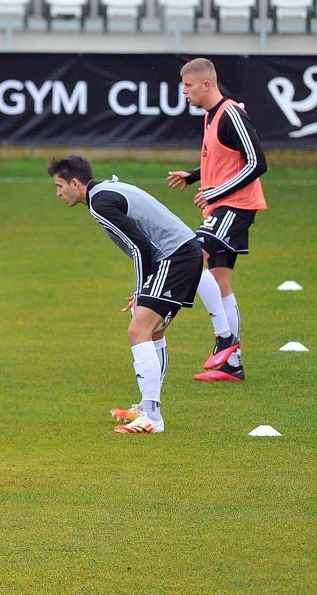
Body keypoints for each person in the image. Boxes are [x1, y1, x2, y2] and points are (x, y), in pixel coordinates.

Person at [49, 156, 204, 434]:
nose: (58, 193)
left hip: (175, 258)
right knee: (153, 330)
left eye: (60, 186)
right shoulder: (103, 193)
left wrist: (143, 289)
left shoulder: (100, 203)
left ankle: (152, 419)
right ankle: (147, 407)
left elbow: (140, 247)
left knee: (138, 330)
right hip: (182, 253)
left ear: (75, 183)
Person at [167, 57, 268, 383]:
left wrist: (215, 193)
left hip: (235, 206)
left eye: (188, 86)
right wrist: (195, 176)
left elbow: (257, 163)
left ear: (207, 84)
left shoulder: (231, 114)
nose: (184, 92)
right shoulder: (212, 116)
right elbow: (226, 159)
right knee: (220, 280)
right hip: (224, 204)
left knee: (192, 257)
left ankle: (226, 338)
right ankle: (232, 364)